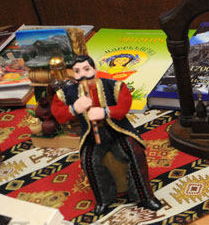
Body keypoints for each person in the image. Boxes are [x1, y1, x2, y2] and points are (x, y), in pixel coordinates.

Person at [51, 54, 161, 215]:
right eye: (78, 71)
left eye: (86, 69)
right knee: (88, 161)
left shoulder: (113, 86)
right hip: (92, 134)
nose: (83, 75)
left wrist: (104, 112)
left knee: (134, 152)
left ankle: (144, 196)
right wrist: (75, 108)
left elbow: (124, 106)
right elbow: (59, 114)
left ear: (94, 69)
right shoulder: (69, 92)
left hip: (117, 130)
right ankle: (104, 199)